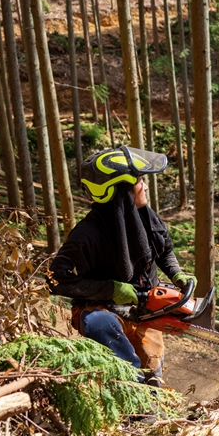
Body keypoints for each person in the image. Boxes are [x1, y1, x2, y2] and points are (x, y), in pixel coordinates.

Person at [47, 146, 196, 386]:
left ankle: (149, 408)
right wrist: (112, 289)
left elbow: (164, 250)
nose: (145, 186)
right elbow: (56, 279)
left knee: (152, 377)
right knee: (101, 325)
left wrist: (177, 274)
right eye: (139, 181)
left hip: (142, 305)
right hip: (100, 307)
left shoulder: (146, 218)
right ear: (121, 190)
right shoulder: (88, 234)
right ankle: (128, 381)